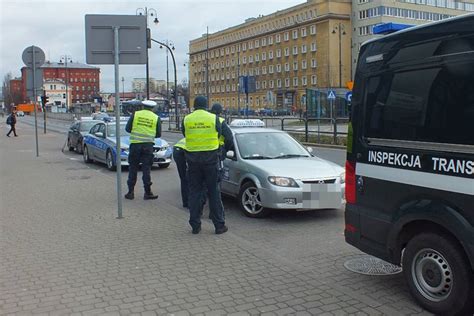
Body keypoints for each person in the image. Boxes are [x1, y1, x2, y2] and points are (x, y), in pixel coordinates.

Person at [182, 96, 233, 235]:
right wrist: (222, 151)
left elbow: (185, 134)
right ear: (206, 106)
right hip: (211, 160)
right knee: (214, 193)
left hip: (193, 161)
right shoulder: (214, 118)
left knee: (195, 193)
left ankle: (195, 225)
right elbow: (227, 138)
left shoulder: (187, 119)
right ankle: (219, 225)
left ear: (194, 105)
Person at [124, 100, 161, 200]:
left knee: (133, 169)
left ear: (143, 106)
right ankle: (148, 193)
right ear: (152, 108)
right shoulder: (156, 118)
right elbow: (158, 134)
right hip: (148, 146)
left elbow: (127, 129)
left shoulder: (135, 115)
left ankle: (130, 192)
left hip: (135, 145)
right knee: (146, 170)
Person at [173, 138, 189, 208]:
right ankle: (188, 203)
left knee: (183, 178)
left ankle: (185, 202)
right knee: (189, 178)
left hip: (176, 150)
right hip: (184, 151)